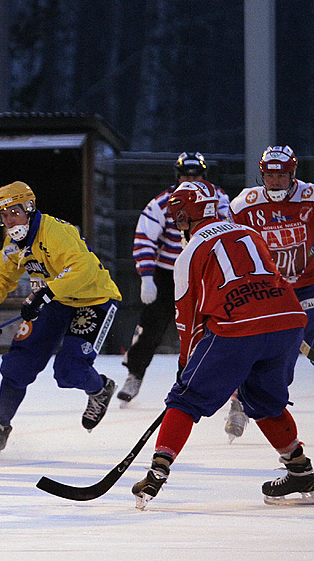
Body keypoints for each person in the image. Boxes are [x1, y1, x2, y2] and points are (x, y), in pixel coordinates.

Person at [131, 179, 312, 509]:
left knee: (185, 399)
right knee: (265, 400)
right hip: (289, 320)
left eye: (182, 218)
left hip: (238, 328)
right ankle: (299, 469)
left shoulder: (188, 254)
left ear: (193, 214)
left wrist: (186, 366)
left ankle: (157, 473)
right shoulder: (250, 233)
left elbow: (188, 322)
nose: (181, 226)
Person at [0, 182, 122, 459]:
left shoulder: (55, 232)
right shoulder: (14, 241)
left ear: (29, 209)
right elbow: (0, 272)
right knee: (17, 364)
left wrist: (45, 293)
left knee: (69, 370)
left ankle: (100, 389)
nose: (10, 220)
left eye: (14, 212)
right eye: (4, 215)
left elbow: (83, 269)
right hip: (56, 300)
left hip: (94, 299)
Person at [117, 152, 231, 405]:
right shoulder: (161, 203)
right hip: (169, 272)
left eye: (196, 175)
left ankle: (222, 383)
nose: (190, 180)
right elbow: (144, 237)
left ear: (204, 176)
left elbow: (229, 231)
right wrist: (147, 277)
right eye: (185, 176)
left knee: (215, 325)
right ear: (177, 176)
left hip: (206, 271)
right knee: (151, 327)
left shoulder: (220, 199)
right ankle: (135, 374)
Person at [227, 146, 314, 440]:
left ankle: (256, 397)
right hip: (268, 289)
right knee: (265, 350)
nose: (276, 182)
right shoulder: (244, 205)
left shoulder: (311, 197)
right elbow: (231, 243)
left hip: (307, 285)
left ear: (293, 174)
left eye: (282, 175)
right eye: (270, 175)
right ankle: (241, 397)